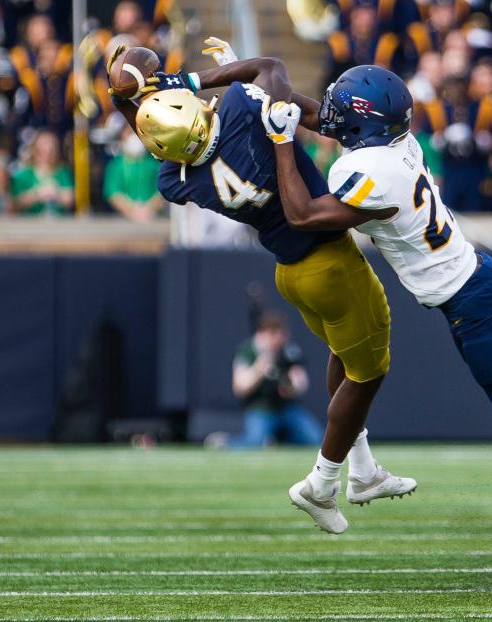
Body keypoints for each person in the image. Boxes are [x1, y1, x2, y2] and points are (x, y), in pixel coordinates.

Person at [261, 64, 492, 591]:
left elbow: (302, 215)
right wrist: (271, 95)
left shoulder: (371, 172)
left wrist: (281, 140)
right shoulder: (396, 147)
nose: (330, 114)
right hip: (479, 286)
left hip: (475, 302)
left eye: (341, 107)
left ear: (360, 121)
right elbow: (326, 119)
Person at [108, 38, 415, 534]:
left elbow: (158, 138)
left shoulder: (179, 179)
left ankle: (362, 470)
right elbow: (269, 67)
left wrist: (125, 98)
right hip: (330, 262)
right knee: (368, 373)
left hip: (289, 273)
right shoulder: (238, 110)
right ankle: (325, 481)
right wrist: (194, 79)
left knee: (346, 357)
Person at [214, 311, 323, 448]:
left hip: (286, 408)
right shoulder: (248, 350)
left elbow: (300, 382)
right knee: (254, 442)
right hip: (261, 408)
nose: (278, 340)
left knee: (315, 439)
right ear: (261, 334)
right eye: (272, 334)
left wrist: (291, 388)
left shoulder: (289, 350)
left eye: (281, 334)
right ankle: (224, 442)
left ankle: (277, 441)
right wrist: (260, 367)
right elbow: (240, 387)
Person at [103, 127, 164, 222]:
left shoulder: (154, 164)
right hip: (122, 219)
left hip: (152, 218)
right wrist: (131, 210)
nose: (134, 137)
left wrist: (148, 209)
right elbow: (112, 193)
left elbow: (162, 192)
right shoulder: (115, 165)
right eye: (129, 133)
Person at [10, 129, 74, 216]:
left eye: (51, 151)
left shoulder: (63, 172)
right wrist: (38, 194)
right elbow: (15, 203)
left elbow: (69, 198)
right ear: (34, 150)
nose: (47, 155)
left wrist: (56, 193)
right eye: (42, 151)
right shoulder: (22, 175)